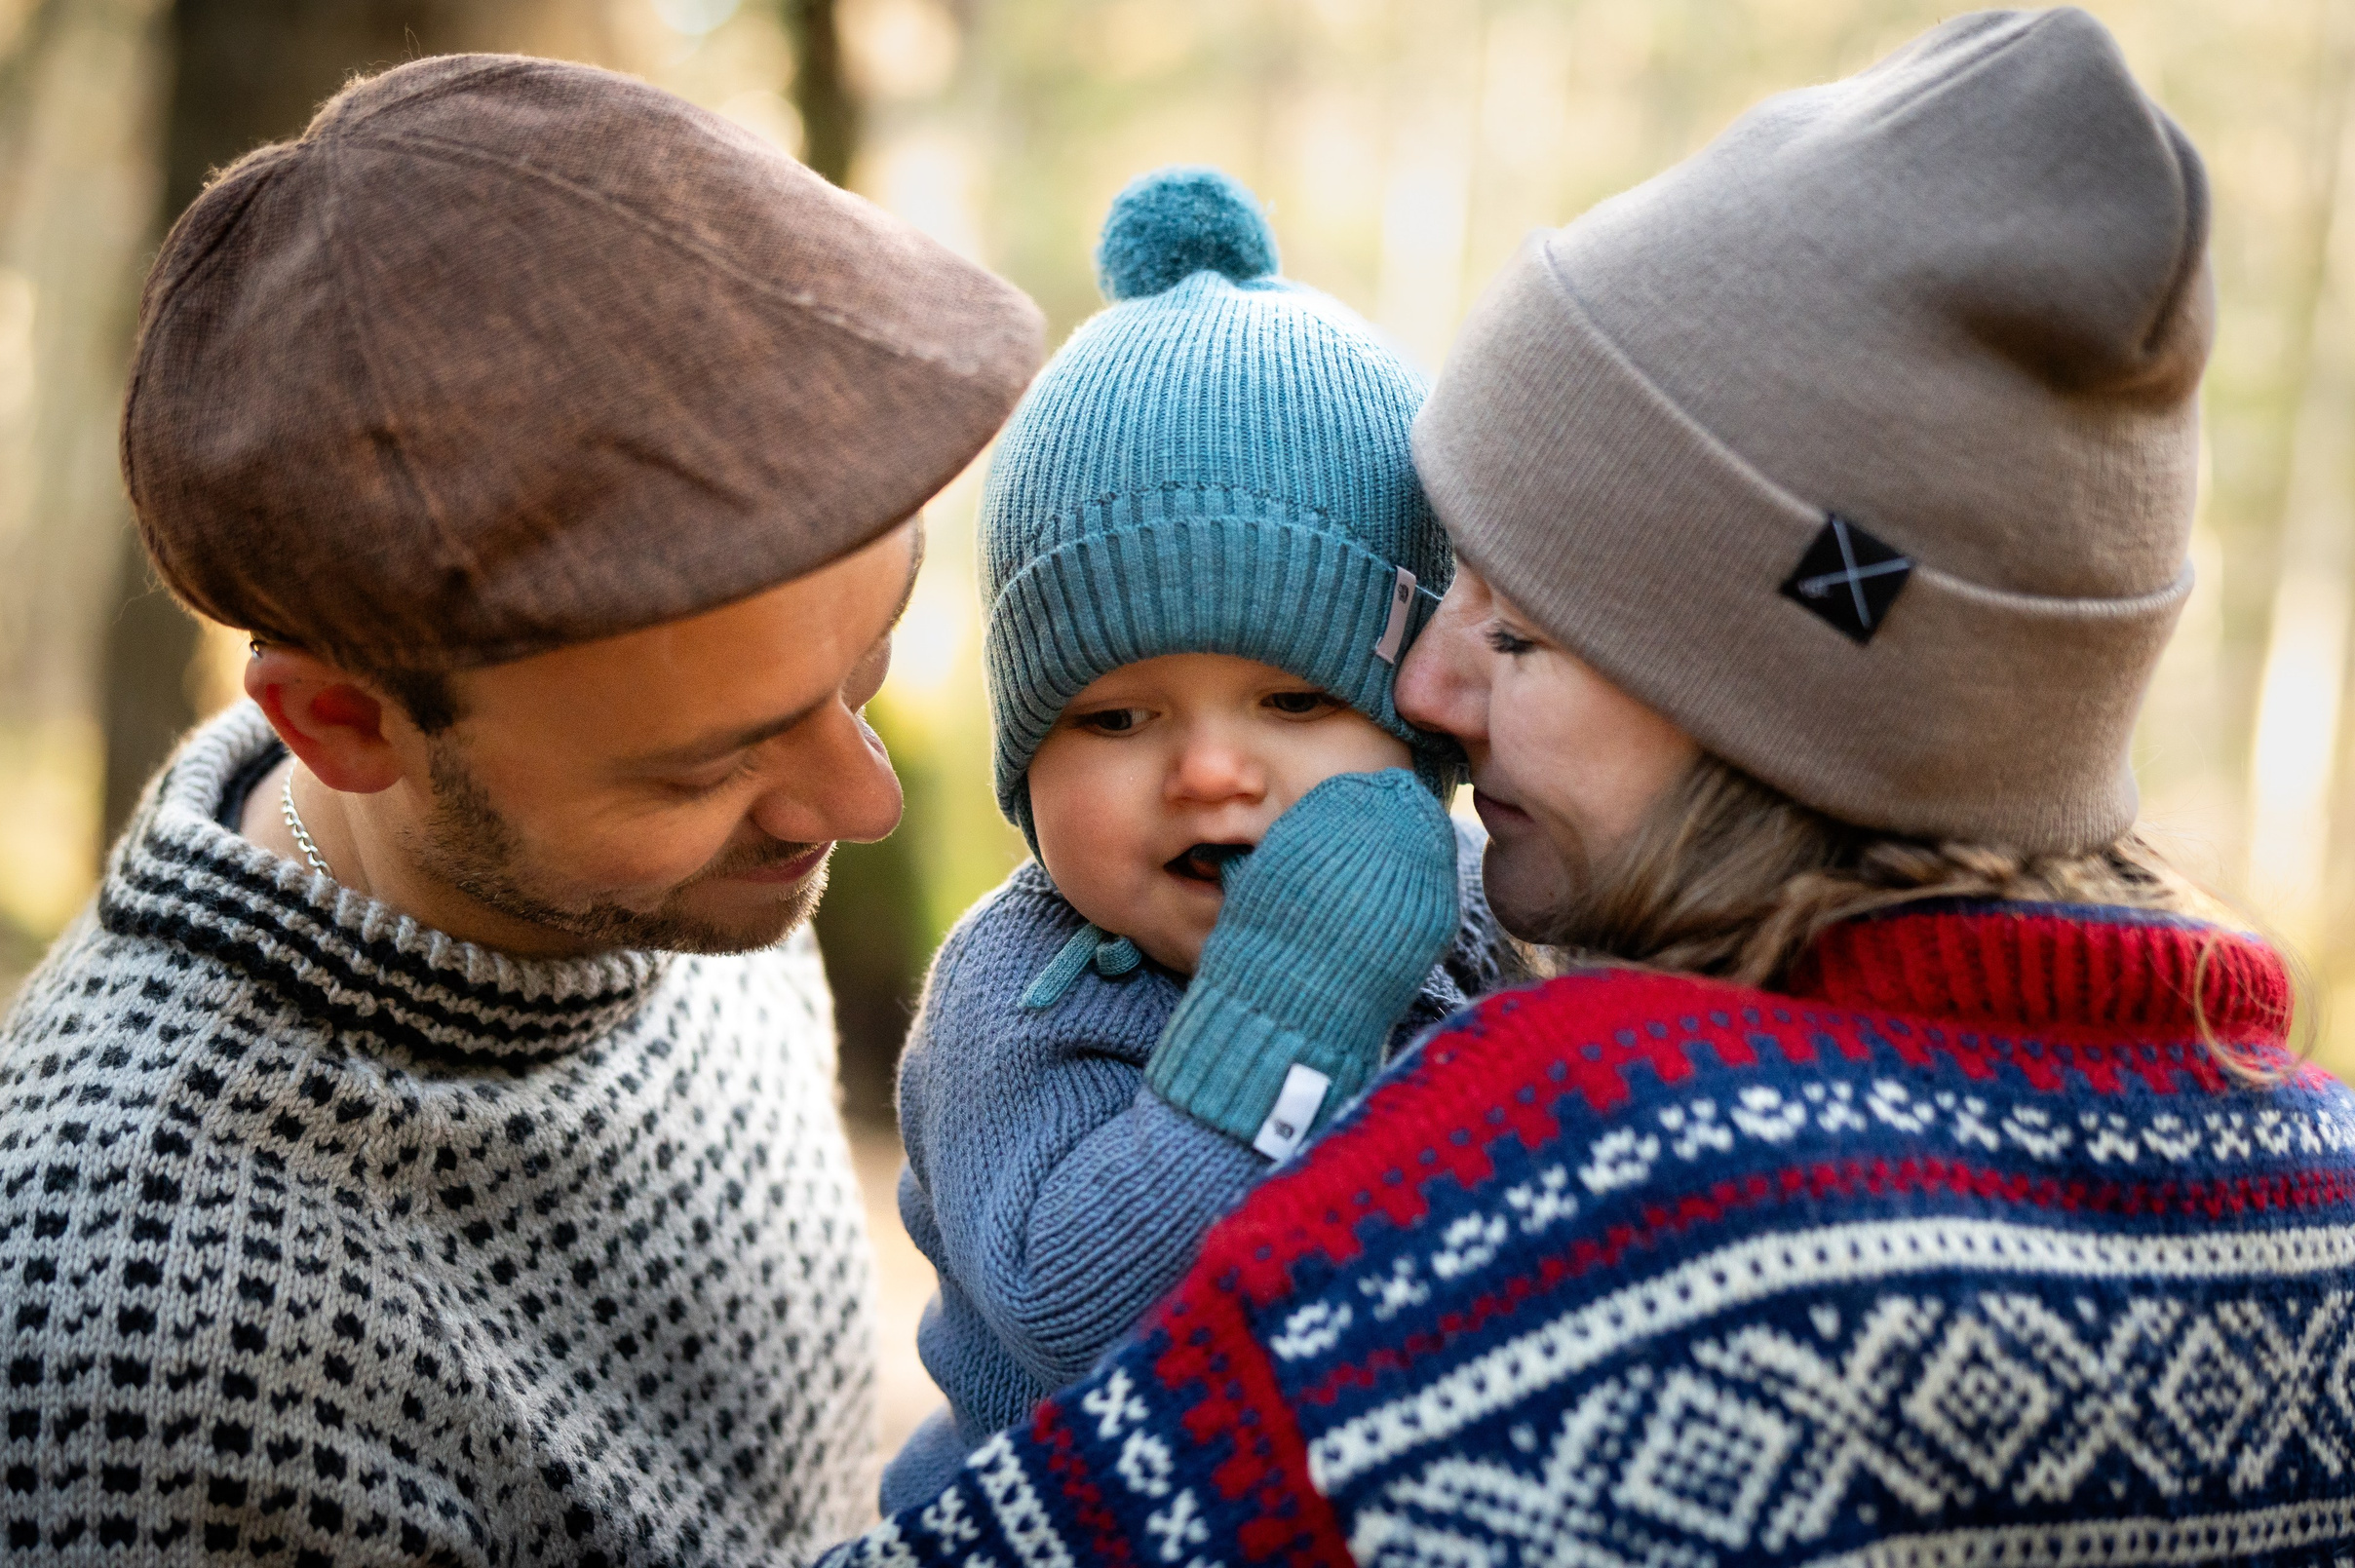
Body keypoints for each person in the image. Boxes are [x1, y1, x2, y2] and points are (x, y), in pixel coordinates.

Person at [820, 11, 2355, 1566]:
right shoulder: (2316, 1196)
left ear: (1776, 689)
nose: (1423, 692)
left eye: (1525, 629)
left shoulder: (1596, 1156)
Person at [0, 55, 1043, 1566]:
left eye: (868, 663)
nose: (858, 799)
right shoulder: (113, 1365)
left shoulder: (669, 880)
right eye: (703, 764)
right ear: (344, 722)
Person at [878, 167, 1504, 1514]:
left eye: (1296, 700)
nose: (1214, 769)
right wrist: (1285, 1017)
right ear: (1024, 758)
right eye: (1115, 715)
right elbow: (1080, 1316)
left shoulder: (1482, 902)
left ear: (1420, 726)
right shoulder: (1021, 997)